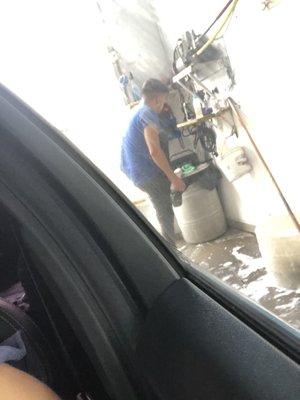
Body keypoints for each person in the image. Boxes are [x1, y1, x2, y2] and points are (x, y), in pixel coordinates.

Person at [121, 78, 186, 245]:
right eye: (163, 100)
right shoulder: (148, 113)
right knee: (165, 211)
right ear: (157, 99)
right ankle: (172, 256)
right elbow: (154, 151)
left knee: (163, 209)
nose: (163, 105)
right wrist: (174, 178)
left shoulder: (138, 110)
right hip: (145, 173)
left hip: (135, 171)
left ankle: (170, 252)